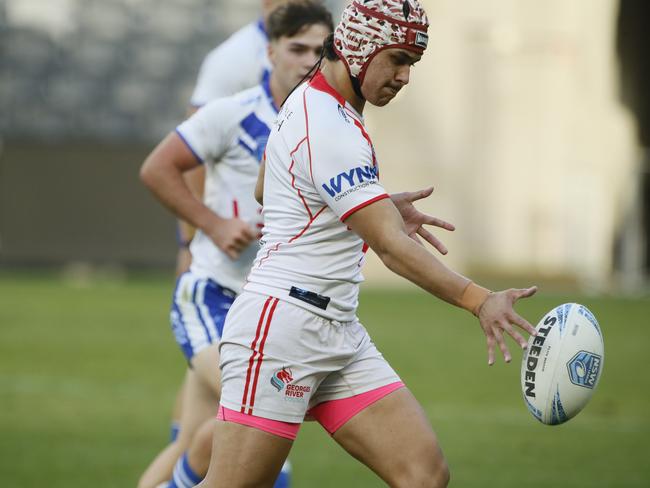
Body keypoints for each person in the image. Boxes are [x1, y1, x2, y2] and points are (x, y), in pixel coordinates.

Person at [195, 1, 539, 487]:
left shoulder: (314, 96)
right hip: (281, 330)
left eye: (412, 64)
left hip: (337, 330)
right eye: (397, 58)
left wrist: (362, 204)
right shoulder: (330, 125)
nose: (404, 76)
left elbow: (264, 187)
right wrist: (480, 300)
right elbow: (392, 249)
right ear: (359, 48)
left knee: (423, 475)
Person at [139, 3, 336, 487]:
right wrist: (213, 225)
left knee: (195, 443)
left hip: (265, 304)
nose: (308, 59)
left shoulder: (326, 123)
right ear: (270, 51)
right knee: (257, 418)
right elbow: (156, 169)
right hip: (211, 294)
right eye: (297, 48)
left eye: (319, 50)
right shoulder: (234, 112)